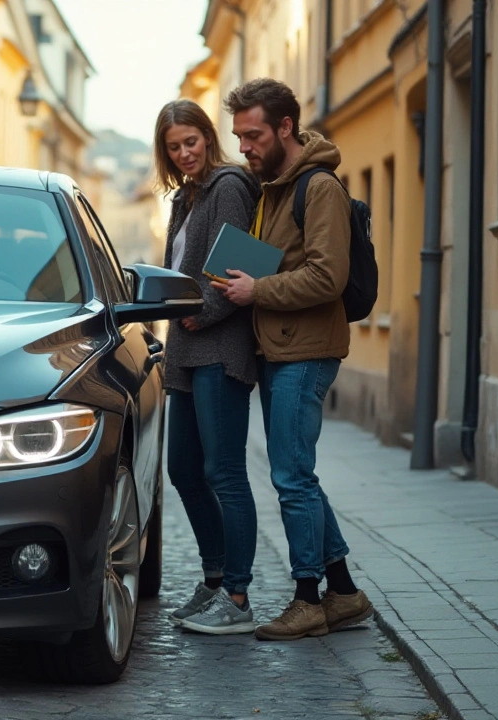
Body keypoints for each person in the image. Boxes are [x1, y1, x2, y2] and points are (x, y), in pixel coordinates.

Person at [213, 78, 374, 641]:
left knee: (290, 476)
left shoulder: (318, 186)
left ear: (286, 128)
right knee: (297, 472)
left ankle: (308, 598)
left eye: (253, 135)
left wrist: (258, 290)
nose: (244, 148)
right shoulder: (274, 187)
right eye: (238, 137)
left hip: (307, 349)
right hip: (279, 346)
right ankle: (345, 592)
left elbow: (328, 275)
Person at [153, 99, 262, 635]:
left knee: (225, 474)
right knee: (182, 471)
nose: (184, 153)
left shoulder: (228, 186)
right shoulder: (185, 198)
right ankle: (215, 578)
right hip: (186, 352)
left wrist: (203, 312)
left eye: (190, 141)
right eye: (174, 147)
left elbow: (240, 265)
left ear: (207, 136)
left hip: (220, 347)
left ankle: (238, 598)